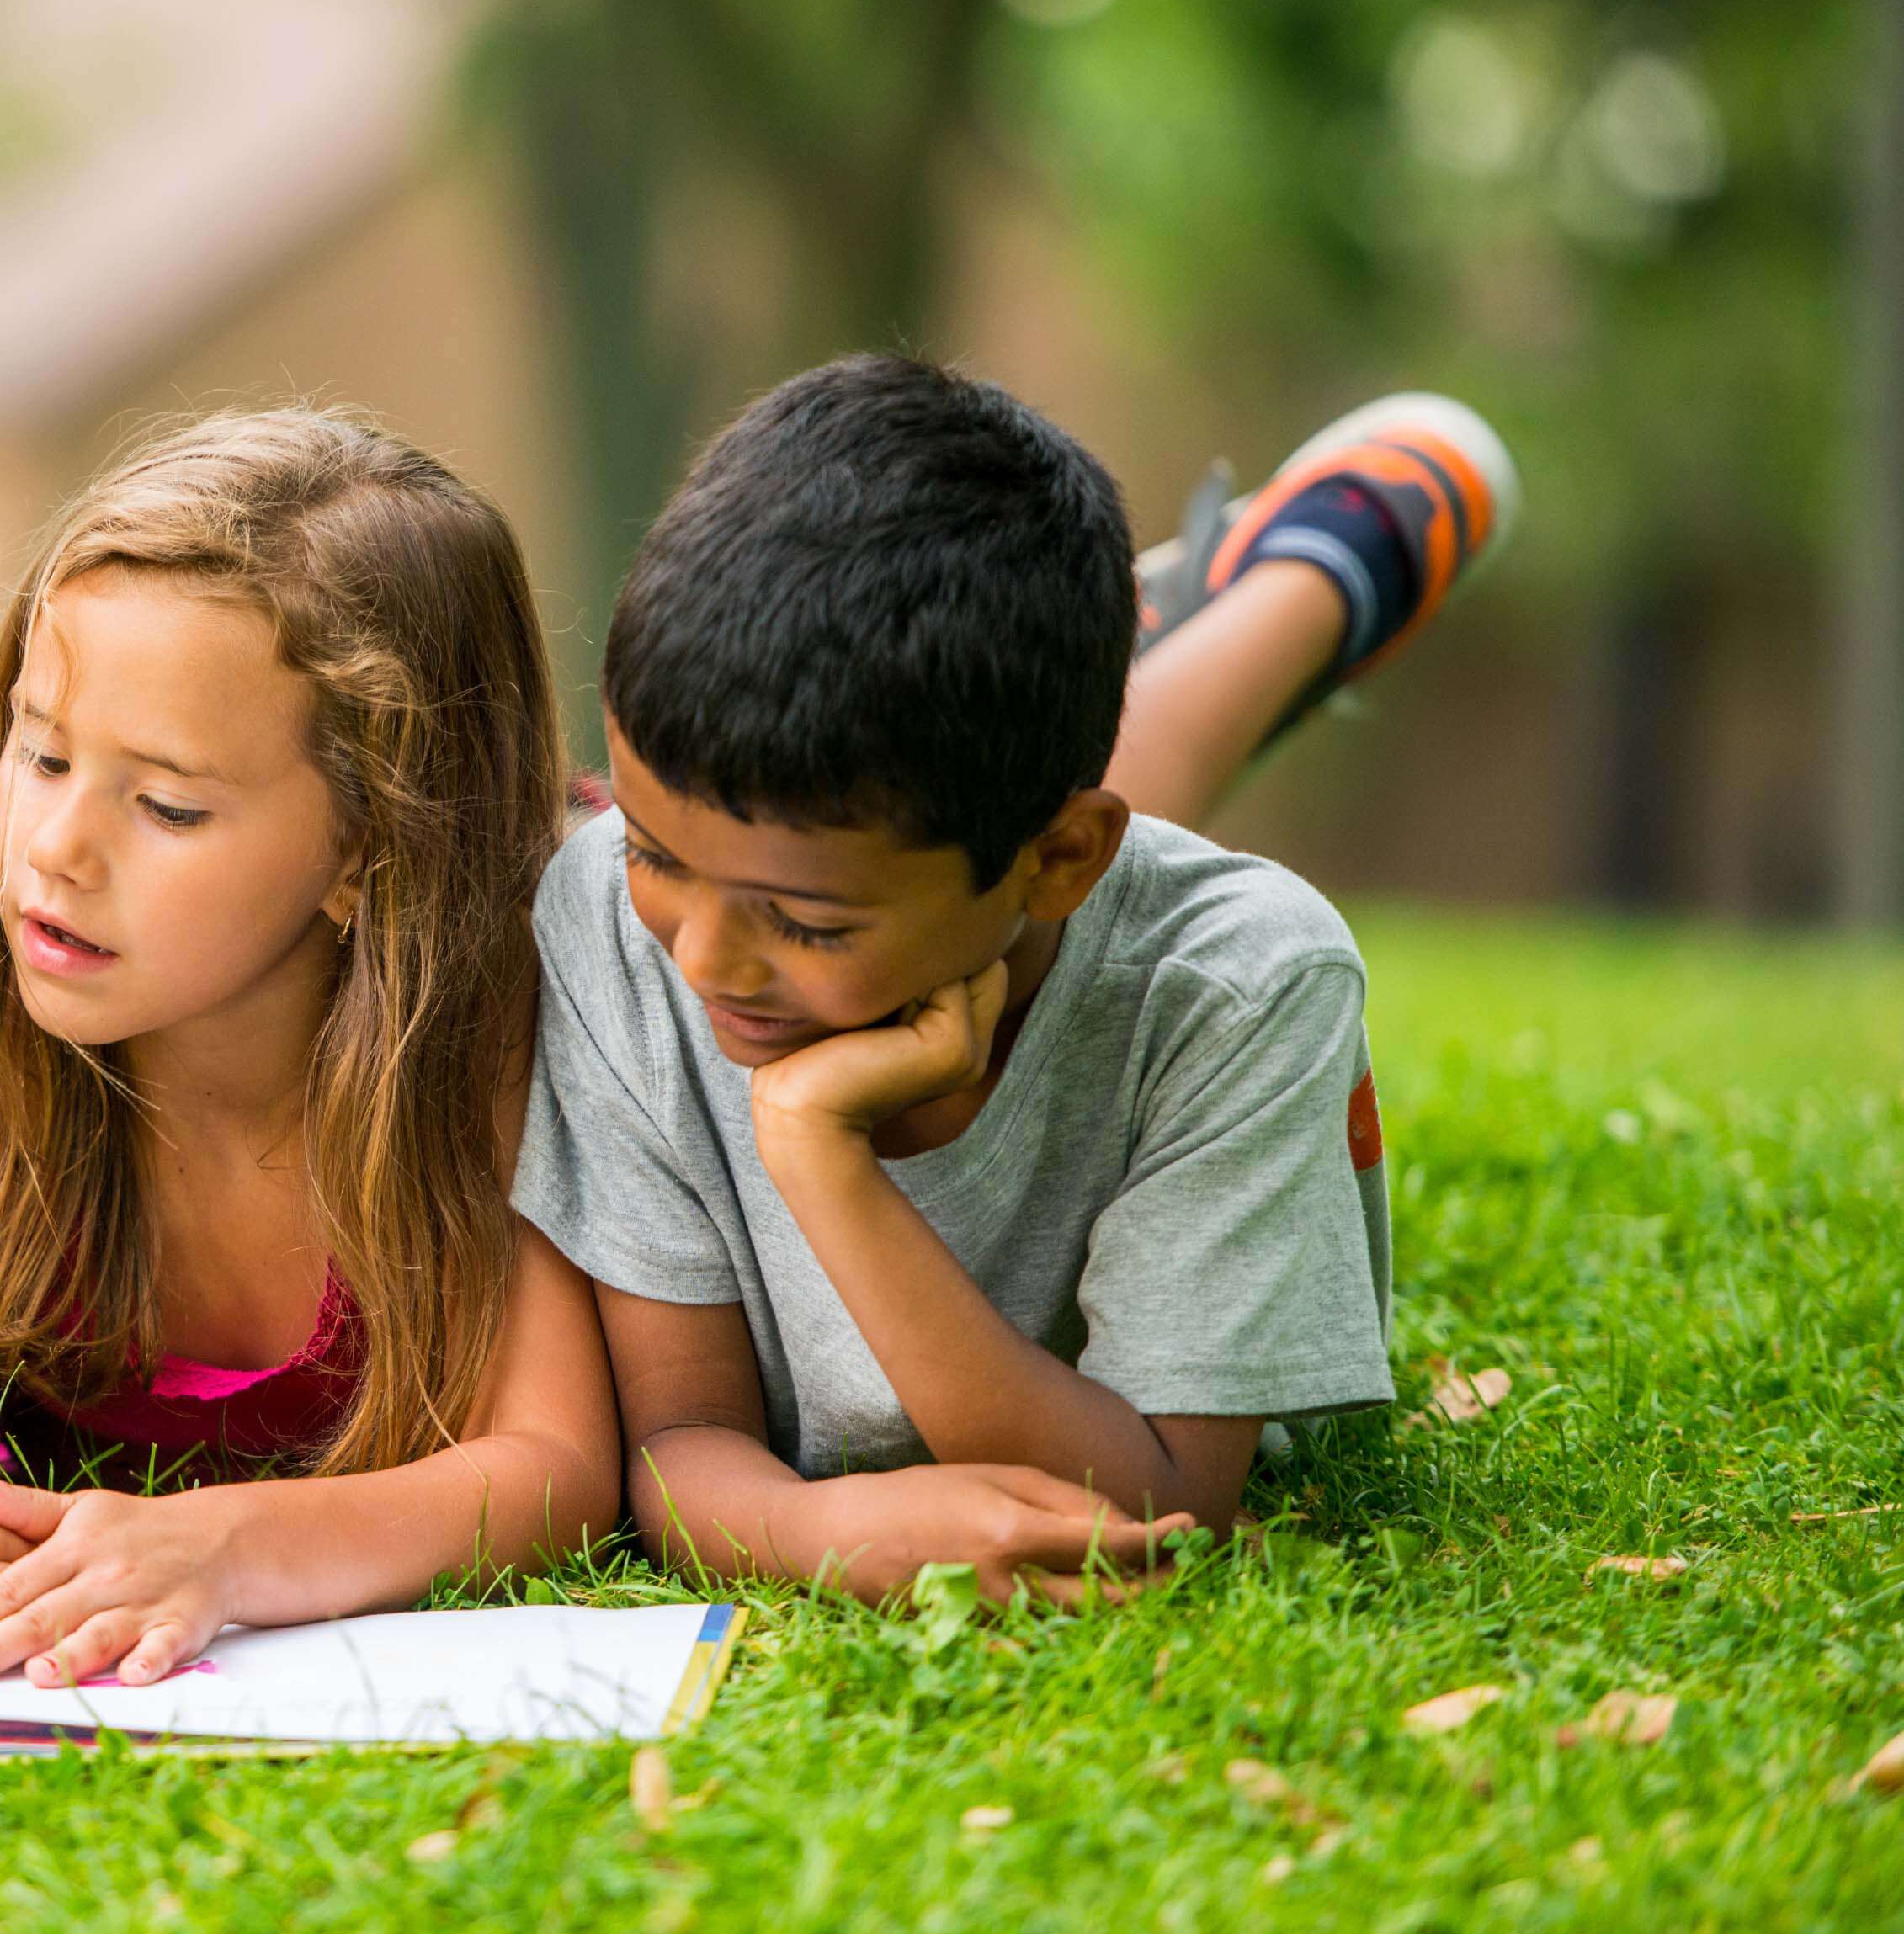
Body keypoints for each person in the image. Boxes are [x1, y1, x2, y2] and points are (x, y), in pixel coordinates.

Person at [524, 361, 1518, 1606]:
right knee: (978, 822)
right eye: (650, 849)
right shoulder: (610, 927)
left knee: (1105, 860)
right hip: (967, 838)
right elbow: (673, 1444)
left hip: (1068, 876)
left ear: (1061, 854)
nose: (702, 959)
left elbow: (1155, 1508)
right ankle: (1163, 626)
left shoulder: (1239, 984)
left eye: (804, 923)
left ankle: (1310, 571)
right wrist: (829, 1532)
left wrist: (819, 1157)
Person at [0, 411, 619, 1689]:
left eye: (165, 803)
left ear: (369, 853)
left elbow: (553, 1469)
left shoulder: (488, 1024)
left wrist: (227, 1547)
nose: (55, 847)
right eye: (39, 753)